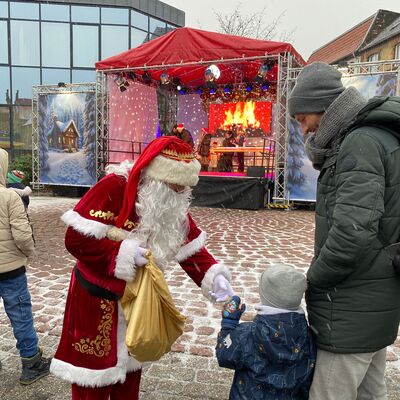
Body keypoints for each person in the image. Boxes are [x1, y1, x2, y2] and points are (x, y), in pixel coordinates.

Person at [50, 136, 234, 400]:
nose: (182, 193)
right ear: (157, 177)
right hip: (97, 301)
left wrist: (211, 276)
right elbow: (75, 240)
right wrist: (120, 254)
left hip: (138, 303)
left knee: (131, 374)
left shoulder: (170, 201)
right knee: (93, 381)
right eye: (176, 185)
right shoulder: (114, 187)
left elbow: (186, 243)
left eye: (186, 187)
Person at [288, 61, 400, 400]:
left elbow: (352, 231)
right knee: (370, 392)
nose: (303, 130)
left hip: (350, 304)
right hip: (373, 300)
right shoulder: (374, 135)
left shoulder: (359, 143)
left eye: (302, 119)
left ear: (321, 107)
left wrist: (315, 279)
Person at [216, 264, 316, 399]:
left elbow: (224, 356)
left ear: (264, 295)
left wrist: (228, 325)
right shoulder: (309, 337)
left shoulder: (247, 334)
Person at [0, 148, 51, 385]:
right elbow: (21, 235)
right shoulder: (10, 197)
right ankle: (31, 364)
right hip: (10, 270)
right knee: (21, 315)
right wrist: (29, 252)